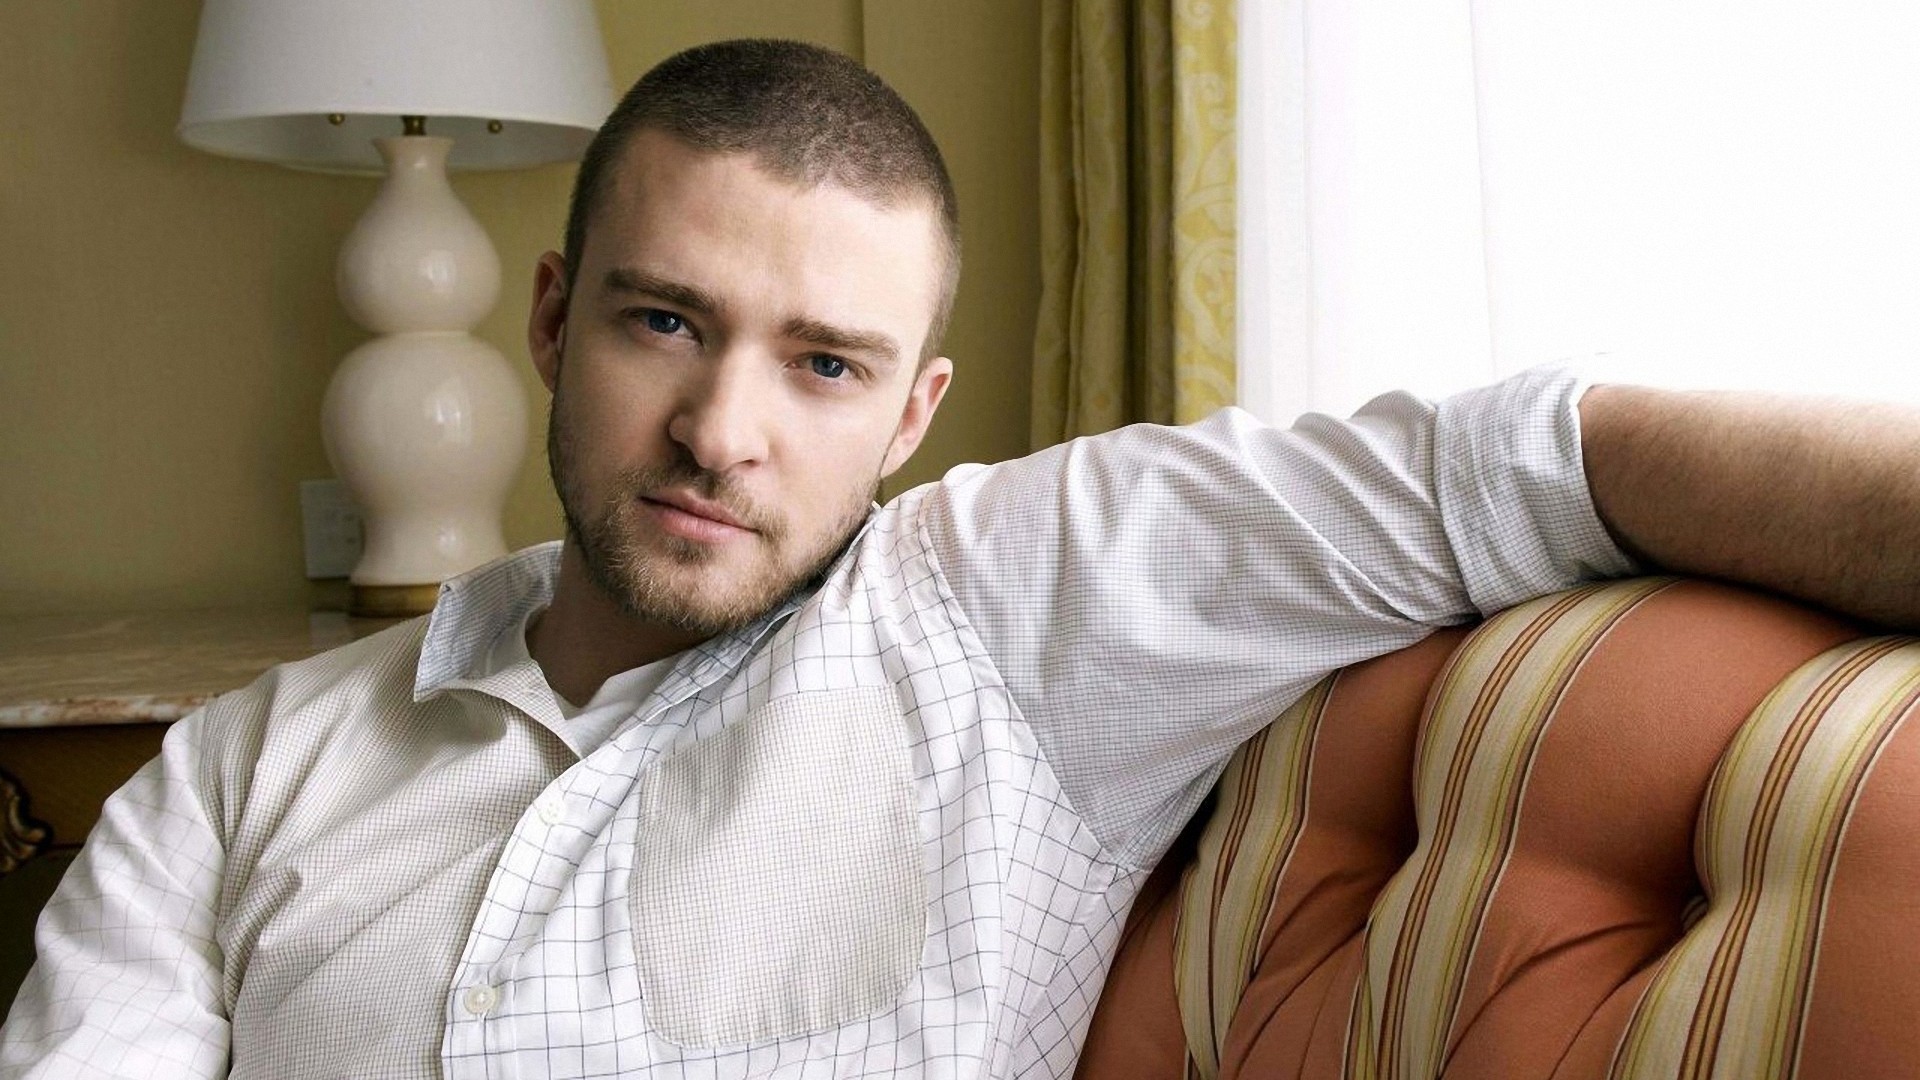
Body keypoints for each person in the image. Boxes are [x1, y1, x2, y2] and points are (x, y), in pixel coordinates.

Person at [3, 37, 1917, 1080]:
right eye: (665, 323)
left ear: (912, 412)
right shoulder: (246, 768)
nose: (724, 432)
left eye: (823, 366)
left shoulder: (1009, 600)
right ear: (554, 316)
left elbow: (1525, 460)